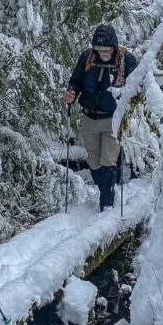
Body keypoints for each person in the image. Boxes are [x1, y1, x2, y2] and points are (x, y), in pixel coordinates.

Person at [63, 23, 137, 211]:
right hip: (89, 117)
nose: (102, 51)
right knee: (93, 161)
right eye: (99, 48)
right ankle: (106, 192)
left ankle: (107, 202)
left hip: (113, 119)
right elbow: (76, 81)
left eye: (106, 48)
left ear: (113, 46)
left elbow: (137, 87)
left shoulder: (126, 61)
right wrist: (71, 93)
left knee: (108, 160)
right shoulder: (87, 58)